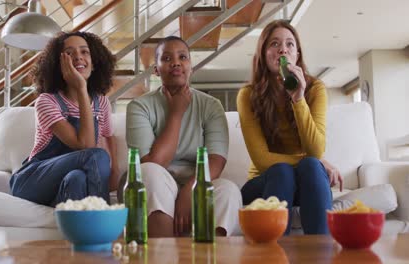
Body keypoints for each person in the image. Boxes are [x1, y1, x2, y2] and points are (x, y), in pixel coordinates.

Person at [123, 36, 242, 237]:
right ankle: (163, 257)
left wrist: (189, 192)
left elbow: (216, 160)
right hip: (158, 184)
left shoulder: (211, 105)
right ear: (156, 69)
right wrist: (176, 114)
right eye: (167, 58)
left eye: (182, 57)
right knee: (149, 172)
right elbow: (152, 163)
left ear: (190, 66)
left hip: (197, 182)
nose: (176, 62)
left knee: (228, 191)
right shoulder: (139, 107)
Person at [237, 20, 342, 235]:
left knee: (312, 166)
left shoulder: (315, 89)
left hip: (306, 181)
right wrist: (321, 161)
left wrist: (298, 99)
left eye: (290, 44)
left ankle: (320, 254)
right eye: (274, 44)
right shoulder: (247, 95)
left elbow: (315, 150)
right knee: (284, 171)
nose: (283, 49)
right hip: (265, 183)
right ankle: (275, 255)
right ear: (264, 54)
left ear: (297, 54)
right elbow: (261, 160)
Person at [10, 31, 119, 206]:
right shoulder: (47, 101)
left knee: (76, 178)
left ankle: (76, 229)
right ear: (58, 65)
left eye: (85, 52)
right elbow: (85, 146)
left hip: (65, 183)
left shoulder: (102, 103)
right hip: (33, 181)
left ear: (95, 62)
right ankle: (103, 218)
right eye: (69, 53)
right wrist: (81, 88)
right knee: (95, 156)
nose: (78, 57)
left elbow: (107, 136)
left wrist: (114, 172)